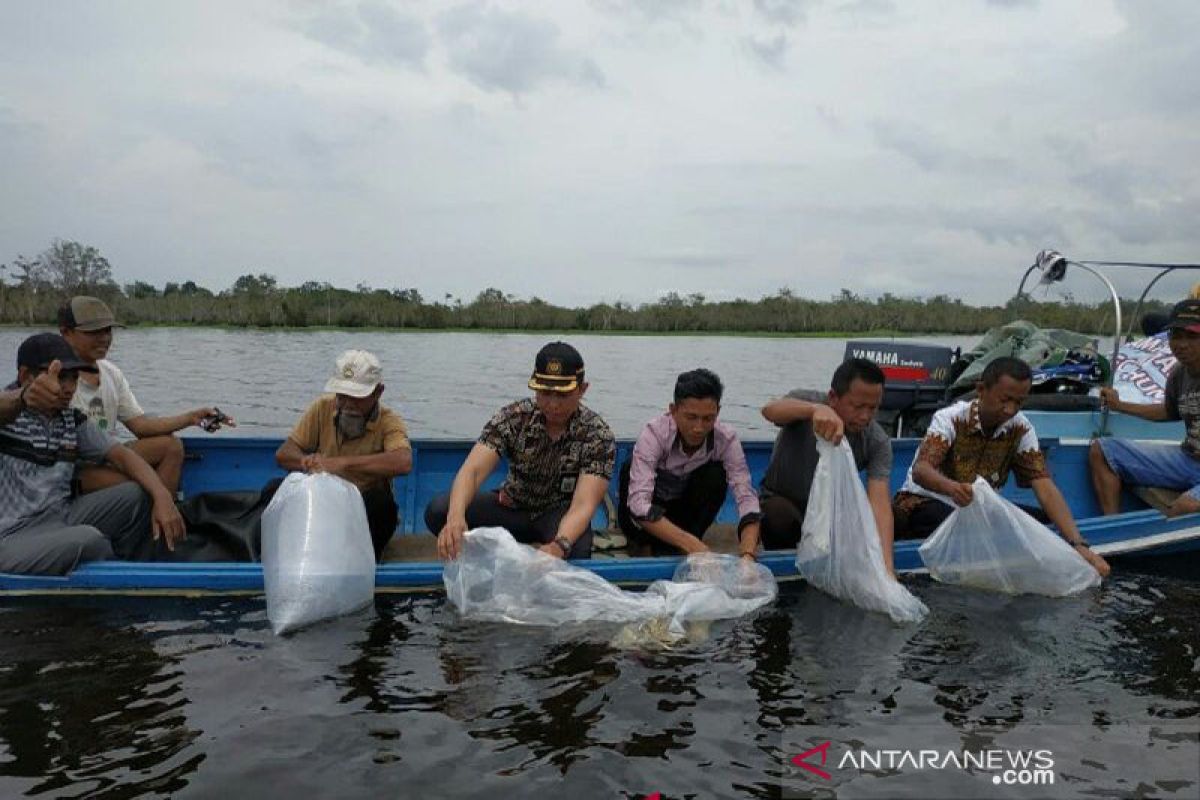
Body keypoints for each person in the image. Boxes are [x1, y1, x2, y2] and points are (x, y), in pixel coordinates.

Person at [893, 356, 1110, 577]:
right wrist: (952, 488)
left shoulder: (1021, 428)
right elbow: (922, 470)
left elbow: (1043, 485)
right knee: (948, 521)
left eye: (1019, 402)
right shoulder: (950, 418)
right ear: (981, 390)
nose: (1010, 410)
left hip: (979, 511)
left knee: (1043, 523)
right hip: (926, 504)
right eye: (1004, 400)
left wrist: (1078, 544)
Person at [0, 333, 185, 575]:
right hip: (12, 535)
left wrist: (162, 496)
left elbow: (121, 455)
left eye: (73, 378)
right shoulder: (9, 415)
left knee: (139, 492)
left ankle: (140, 567)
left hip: (59, 515)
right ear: (25, 376)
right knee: (88, 539)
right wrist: (23, 398)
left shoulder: (69, 418)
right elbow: (6, 405)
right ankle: (115, 570)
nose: (67, 388)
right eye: (59, 377)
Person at [428, 341, 616, 561]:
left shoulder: (597, 435)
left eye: (563, 395)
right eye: (544, 393)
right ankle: (487, 553)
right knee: (439, 510)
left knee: (575, 550)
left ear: (582, 389)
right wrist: (456, 517)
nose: (553, 404)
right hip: (512, 506)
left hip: (557, 515)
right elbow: (473, 471)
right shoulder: (514, 417)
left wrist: (559, 544)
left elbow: (584, 504)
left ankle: (540, 550)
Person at [59, 295, 234, 495]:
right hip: (76, 466)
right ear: (66, 333)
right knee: (139, 484)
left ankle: (162, 517)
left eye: (107, 330)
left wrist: (192, 418)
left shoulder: (110, 372)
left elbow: (140, 426)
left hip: (109, 455)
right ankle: (158, 511)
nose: (104, 338)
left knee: (172, 446)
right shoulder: (55, 378)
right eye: (93, 332)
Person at [759, 358, 896, 573]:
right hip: (787, 502)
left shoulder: (877, 441)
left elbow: (879, 502)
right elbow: (769, 409)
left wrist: (887, 567)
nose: (865, 416)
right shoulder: (807, 402)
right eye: (858, 406)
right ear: (833, 397)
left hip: (832, 513)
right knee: (778, 516)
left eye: (873, 408)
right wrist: (813, 410)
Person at [275, 350, 413, 560]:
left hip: (362, 509)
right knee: (274, 490)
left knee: (382, 505)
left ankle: (367, 560)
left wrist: (341, 464)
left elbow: (403, 462)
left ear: (378, 392)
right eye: (342, 396)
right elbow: (284, 454)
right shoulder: (322, 408)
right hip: (322, 503)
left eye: (357, 397)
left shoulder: (389, 421)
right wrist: (305, 461)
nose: (348, 404)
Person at [618, 368, 761, 558]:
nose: (699, 428)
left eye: (708, 418)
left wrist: (748, 553)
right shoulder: (654, 434)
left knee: (715, 475)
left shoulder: (726, 439)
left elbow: (746, 498)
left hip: (685, 512)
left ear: (718, 412)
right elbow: (638, 504)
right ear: (673, 410)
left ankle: (687, 542)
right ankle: (645, 545)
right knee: (629, 468)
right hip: (650, 513)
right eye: (691, 417)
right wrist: (695, 546)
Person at [1091, 298, 1200, 518]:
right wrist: (1119, 405)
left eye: (1192, 336)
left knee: (1185, 508)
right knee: (1102, 451)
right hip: (1189, 460)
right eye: (1176, 336)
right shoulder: (1180, 374)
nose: (1182, 344)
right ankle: (1114, 530)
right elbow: (1169, 412)